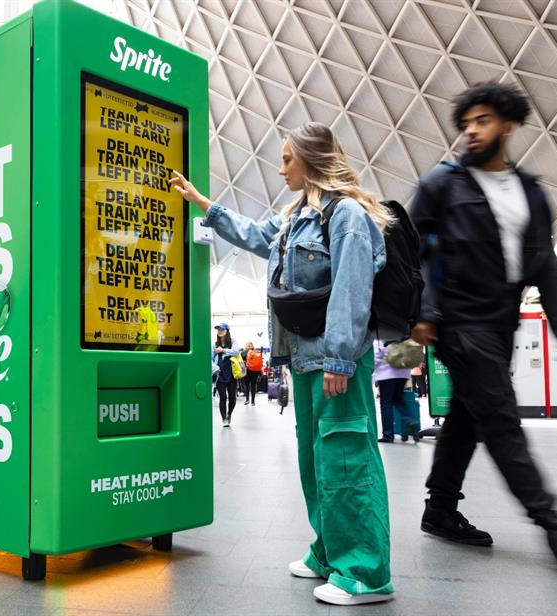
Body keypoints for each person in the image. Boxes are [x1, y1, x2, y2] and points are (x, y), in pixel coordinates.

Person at [172, 122, 394, 605]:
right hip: (304, 359)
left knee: (346, 457)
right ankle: (329, 550)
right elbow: (254, 234)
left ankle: (366, 571)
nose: (280, 168)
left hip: (335, 363)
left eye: (288, 159)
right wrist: (203, 204)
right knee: (316, 460)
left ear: (312, 159)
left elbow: (353, 289)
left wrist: (340, 357)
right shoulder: (297, 217)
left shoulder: (348, 215)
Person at [409, 82, 557, 565]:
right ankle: (553, 525)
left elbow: (544, 263)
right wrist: (423, 312)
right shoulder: (442, 183)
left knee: (467, 418)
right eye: (467, 122)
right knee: (500, 419)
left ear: (508, 125)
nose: (472, 131)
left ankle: (440, 510)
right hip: (457, 322)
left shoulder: (530, 193)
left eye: (483, 121)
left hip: (500, 324)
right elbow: (412, 251)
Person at [373, 340, 411, 443]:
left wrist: (372, 372)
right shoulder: (403, 334)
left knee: (386, 403)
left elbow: (376, 356)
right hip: (403, 373)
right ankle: (409, 419)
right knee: (398, 399)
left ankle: (388, 435)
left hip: (386, 374)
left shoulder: (380, 335)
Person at [212, 323, 239, 427]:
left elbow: (236, 352)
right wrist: (215, 368)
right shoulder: (214, 344)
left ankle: (229, 414)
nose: (219, 331)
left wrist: (223, 350)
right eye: (218, 329)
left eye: (222, 329)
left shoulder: (233, 341)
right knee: (223, 397)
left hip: (232, 373)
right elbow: (210, 358)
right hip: (220, 374)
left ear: (227, 330)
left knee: (232, 398)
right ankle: (224, 419)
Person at [243, 341, 263, 406]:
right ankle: (253, 401)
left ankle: (247, 399)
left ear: (246, 346)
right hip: (255, 371)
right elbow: (259, 363)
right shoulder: (256, 352)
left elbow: (240, 363)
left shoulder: (243, 353)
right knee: (253, 386)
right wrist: (260, 373)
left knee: (247, 385)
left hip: (247, 371)